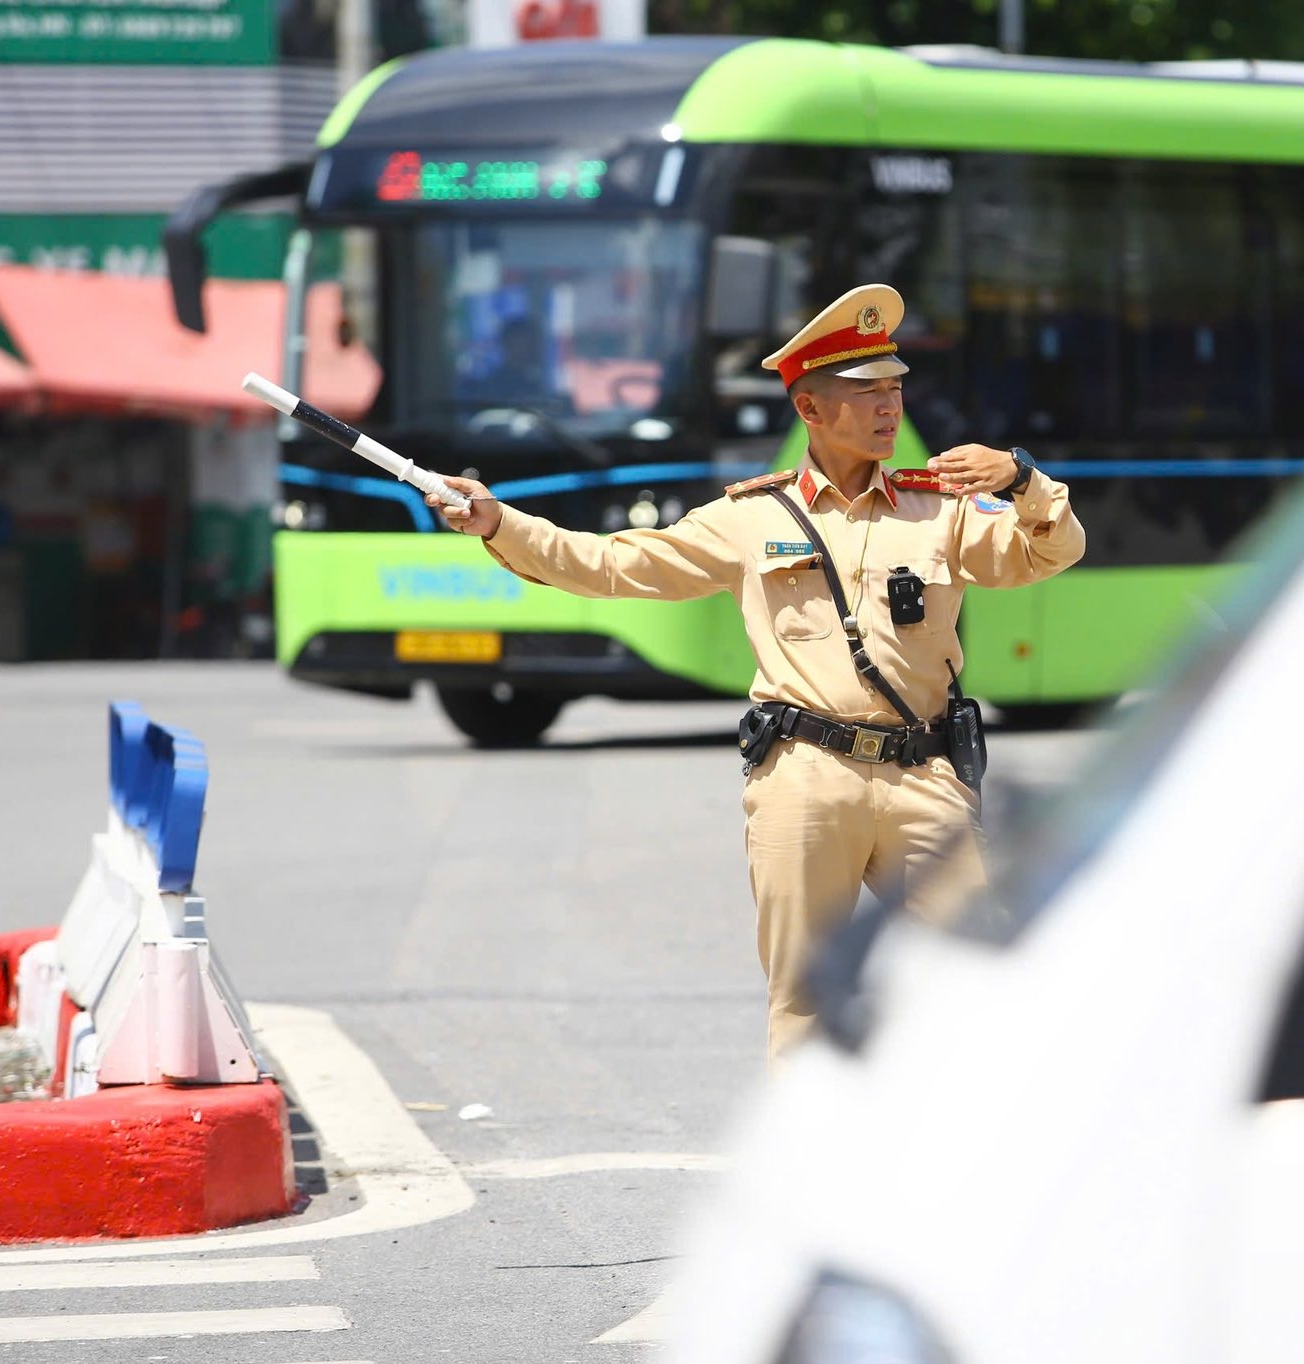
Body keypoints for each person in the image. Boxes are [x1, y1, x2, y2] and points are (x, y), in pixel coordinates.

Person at [428, 284, 1086, 1063]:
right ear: (810, 410)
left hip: (924, 773)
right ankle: (814, 1177)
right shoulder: (750, 516)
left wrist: (1021, 479)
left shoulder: (938, 506)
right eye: (866, 392)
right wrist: (501, 522)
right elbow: (608, 565)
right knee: (806, 1004)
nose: (889, 406)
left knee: (976, 985)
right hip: (803, 777)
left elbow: (1050, 552)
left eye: (895, 387)